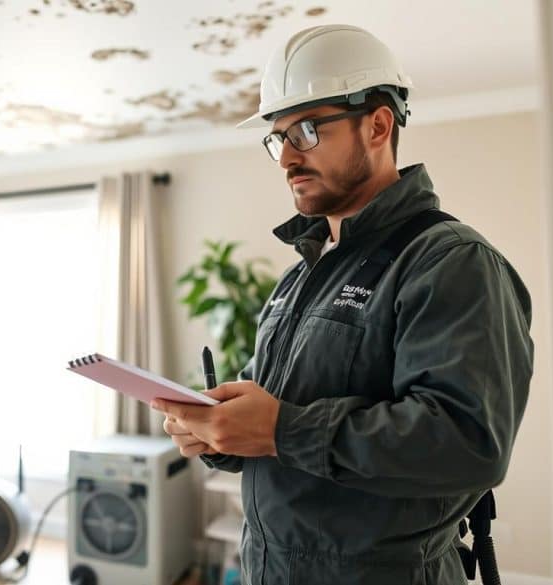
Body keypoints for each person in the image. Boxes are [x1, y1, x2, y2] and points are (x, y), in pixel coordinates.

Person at [150, 24, 533, 584]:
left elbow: (469, 444)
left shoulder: (450, 261)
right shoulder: (298, 278)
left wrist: (281, 429)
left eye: (305, 131)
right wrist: (220, 434)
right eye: (277, 138)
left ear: (378, 125)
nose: (286, 158)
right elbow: (273, 419)